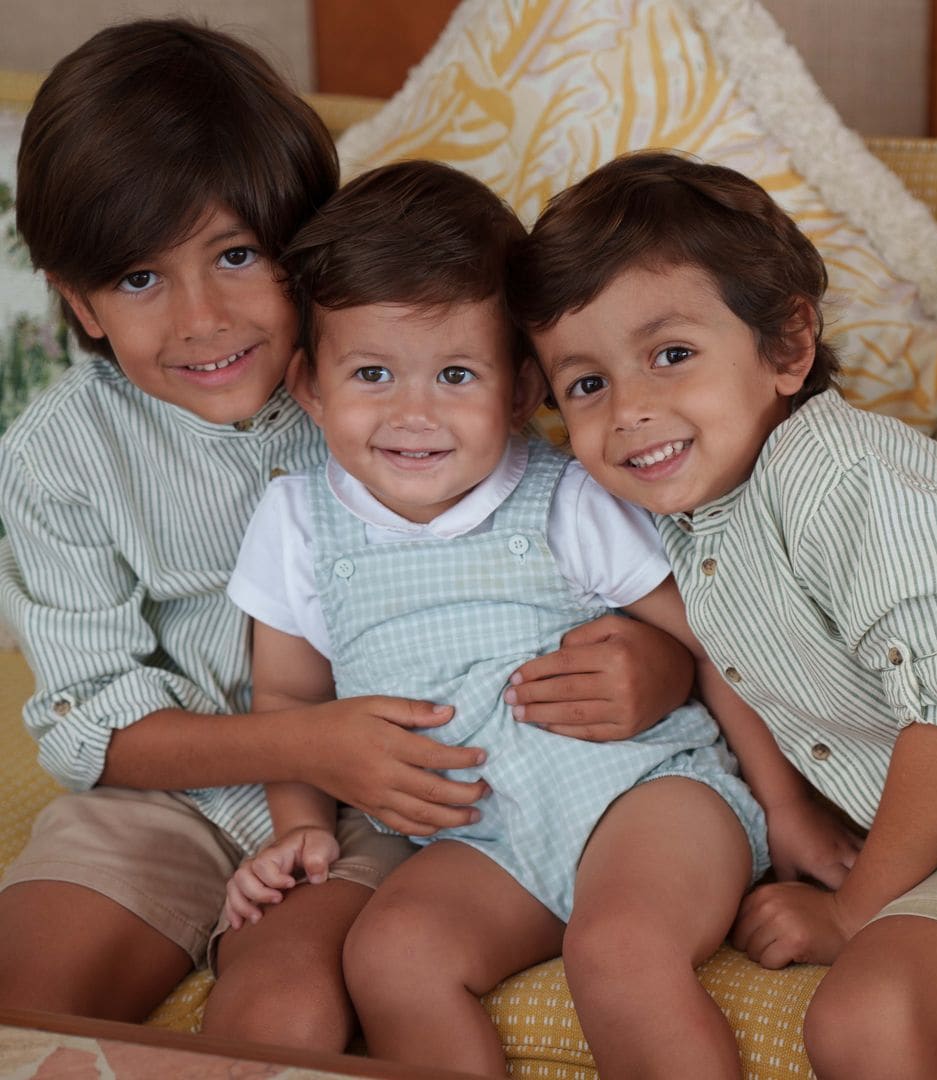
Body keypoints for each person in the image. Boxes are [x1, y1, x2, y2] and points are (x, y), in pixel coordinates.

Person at [0, 21, 695, 1047]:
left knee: (284, 1004)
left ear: (308, 252)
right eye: (140, 279)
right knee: (22, 985)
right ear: (80, 304)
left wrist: (659, 664)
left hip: (394, 797)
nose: (202, 319)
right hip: (162, 793)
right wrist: (304, 739)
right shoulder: (59, 453)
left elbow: (588, 556)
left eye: (237, 256)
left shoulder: (408, 382)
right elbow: (86, 721)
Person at [510, 148, 937, 1080]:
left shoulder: (836, 476)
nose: (631, 410)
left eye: (672, 355)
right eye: (586, 384)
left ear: (787, 347)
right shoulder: (696, 523)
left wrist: (858, 909)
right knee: (860, 1026)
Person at [222, 158, 773, 1080]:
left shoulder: (563, 496)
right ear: (309, 387)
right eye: (370, 373)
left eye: (454, 374)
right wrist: (300, 826)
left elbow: (714, 636)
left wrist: (786, 806)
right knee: (389, 954)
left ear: (521, 391)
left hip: (645, 798)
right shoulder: (295, 521)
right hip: (479, 842)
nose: (413, 413)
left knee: (620, 951)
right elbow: (285, 698)